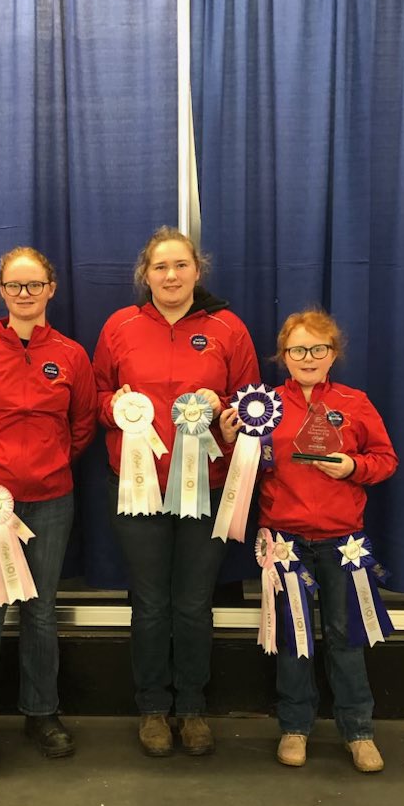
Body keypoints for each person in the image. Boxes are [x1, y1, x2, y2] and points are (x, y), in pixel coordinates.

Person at [93, 226, 259, 757]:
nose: (171, 275)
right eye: (160, 267)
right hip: (137, 491)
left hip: (203, 489)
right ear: (146, 274)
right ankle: (151, 709)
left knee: (191, 604)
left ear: (197, 271)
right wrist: (114, 406)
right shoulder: (119, 327)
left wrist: (225, 411)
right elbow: (95, 395)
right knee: (149, 603)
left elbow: (250, 403)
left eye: (180, 265)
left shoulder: (227, 328)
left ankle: (191, 707)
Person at [220, 306, 398, 772]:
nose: (308, 357)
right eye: (297, 349)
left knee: (346, 638)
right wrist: (226, 437)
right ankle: (294, 727)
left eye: (317, 348)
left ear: (333, 353)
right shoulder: (261, 407)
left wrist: (353, 466)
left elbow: (385, 459)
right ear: (283, 356)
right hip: (286, 542)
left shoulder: (355, 402)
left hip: (344, 543)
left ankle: (358, 731)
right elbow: (238, 468)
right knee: (292, 638)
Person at [0, 247, 96, 784]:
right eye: (16, 286)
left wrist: (46, 464)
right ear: (1, 292)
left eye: (35, 285)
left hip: (52, 499)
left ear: (51, 289)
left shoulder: (73, 357)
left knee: (40, 609)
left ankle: (42, 714)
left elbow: (81, 426)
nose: (25, 294)